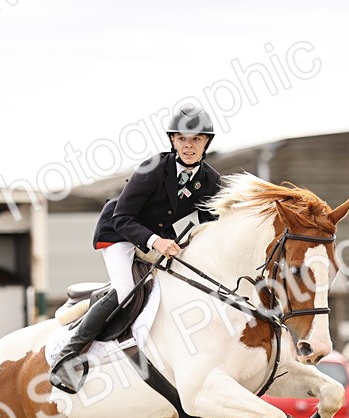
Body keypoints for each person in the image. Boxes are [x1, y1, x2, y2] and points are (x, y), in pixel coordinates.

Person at [49, 105, 222, 393]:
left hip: (160, 238)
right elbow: (122, 217)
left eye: (196, 140)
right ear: (173, 141)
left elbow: (214, 219)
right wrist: (156, 241)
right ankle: (69, 356)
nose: (188, 146)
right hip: (119, 232)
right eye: (182, 139)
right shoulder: (152, 168)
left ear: (206, 143)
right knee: (125, 290)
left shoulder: (211, 180)